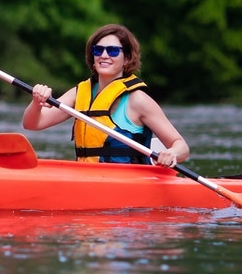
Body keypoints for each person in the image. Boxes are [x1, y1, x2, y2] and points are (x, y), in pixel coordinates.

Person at [21, 24, 189, 167]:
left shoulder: (138, 100)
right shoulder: (80, 92)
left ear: (127, 59)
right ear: (92, 57)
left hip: (129, 183)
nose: (104, 55)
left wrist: (172, 153)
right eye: (98, 50)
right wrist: (37, 102)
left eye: (113, 51)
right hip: (86, 176)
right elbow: (32, 124)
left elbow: (181, 146)